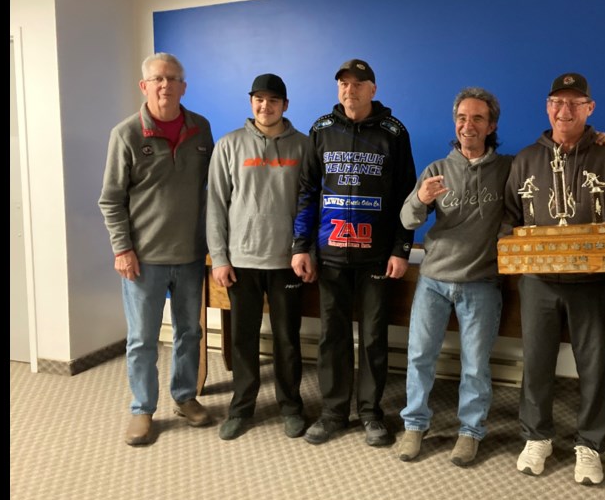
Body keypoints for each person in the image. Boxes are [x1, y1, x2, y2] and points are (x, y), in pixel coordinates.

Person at [501, 72, 605, 484]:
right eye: (557, 101)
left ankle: (589, 444)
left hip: (592, 284)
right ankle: (537, 436)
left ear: (590, 109)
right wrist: (512, 246)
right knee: (536, 361)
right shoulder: (525, 158)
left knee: (593, 365)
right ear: (547, 107)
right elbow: (509, 216)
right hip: (538, 281)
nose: (565, 110)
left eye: (575, 103)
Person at [291, 59, 417, 447]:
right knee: (332, 336)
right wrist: (301, 246)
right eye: (344, 84)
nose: (350, 90)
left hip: (377, 258)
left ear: (372, 89)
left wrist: (401, 248)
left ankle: (370, 412)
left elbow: (406, 197)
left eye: (358, 84)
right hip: (330, 256)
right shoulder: (320, 130)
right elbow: (308, 192)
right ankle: (332, 412)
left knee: (374, 337)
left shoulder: (394, 133)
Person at [99, 53, 214, 446]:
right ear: (144, 85)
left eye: (174, 79)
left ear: (184, 86)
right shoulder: (126, 134)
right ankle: (142, 409)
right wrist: (122, 248)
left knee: (189, 332)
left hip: (191, 255)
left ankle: (185, 396)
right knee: (143, 339)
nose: (166, 85)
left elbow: (212, 192)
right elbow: (111, 199)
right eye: (158, 79)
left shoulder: (201, 128)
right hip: (142, 260)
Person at [396, 87, 511, 466]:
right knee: (419, 357)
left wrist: (596, 138)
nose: (468, 125)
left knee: (476, 365)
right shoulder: (436, 170)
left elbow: (541, 175)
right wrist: (421, 200)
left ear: (491, 125)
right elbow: (407, 220)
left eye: (478, 118)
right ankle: (414, 425)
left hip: (481, 282)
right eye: (462, 118)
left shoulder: (508, 169)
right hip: (433, 280)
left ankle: (470, 432)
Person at [207, 73, 312, 441]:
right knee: (243, 339)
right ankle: (242, 408)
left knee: (287, 339)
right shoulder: (229, 145)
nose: (264, 106)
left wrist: (305, 250)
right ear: (251, 102)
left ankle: (291, 406)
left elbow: (310, 203)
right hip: (241, 262)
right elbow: (216, 206)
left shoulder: (304, 146)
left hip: (287, 262)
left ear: (285, 105)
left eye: (273, 100)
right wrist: (219, 258)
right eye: (258, 99)